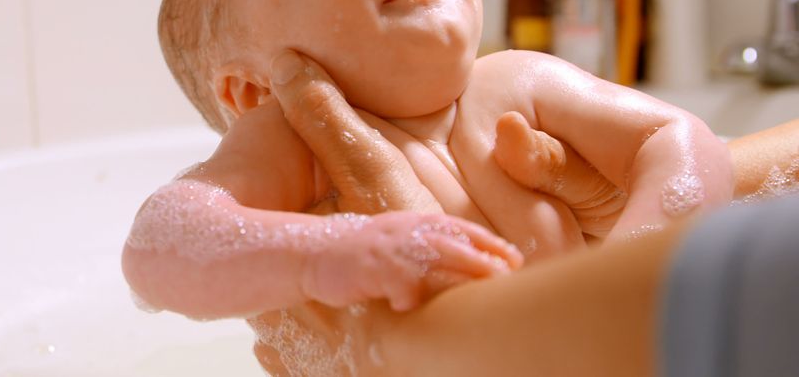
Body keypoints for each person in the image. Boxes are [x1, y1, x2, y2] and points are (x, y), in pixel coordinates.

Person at [121, 0, 733, 320]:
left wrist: (639, 268)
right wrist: (327, 253)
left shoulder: (519, 81)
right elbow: (157, 242)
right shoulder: (294, 141)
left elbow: (677, 138)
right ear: (254, 91)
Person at [251, 55, 799, 376]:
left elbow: (677, 139)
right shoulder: (273, 173)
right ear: (251, 88)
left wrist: (384, 344)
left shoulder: (508, 79)